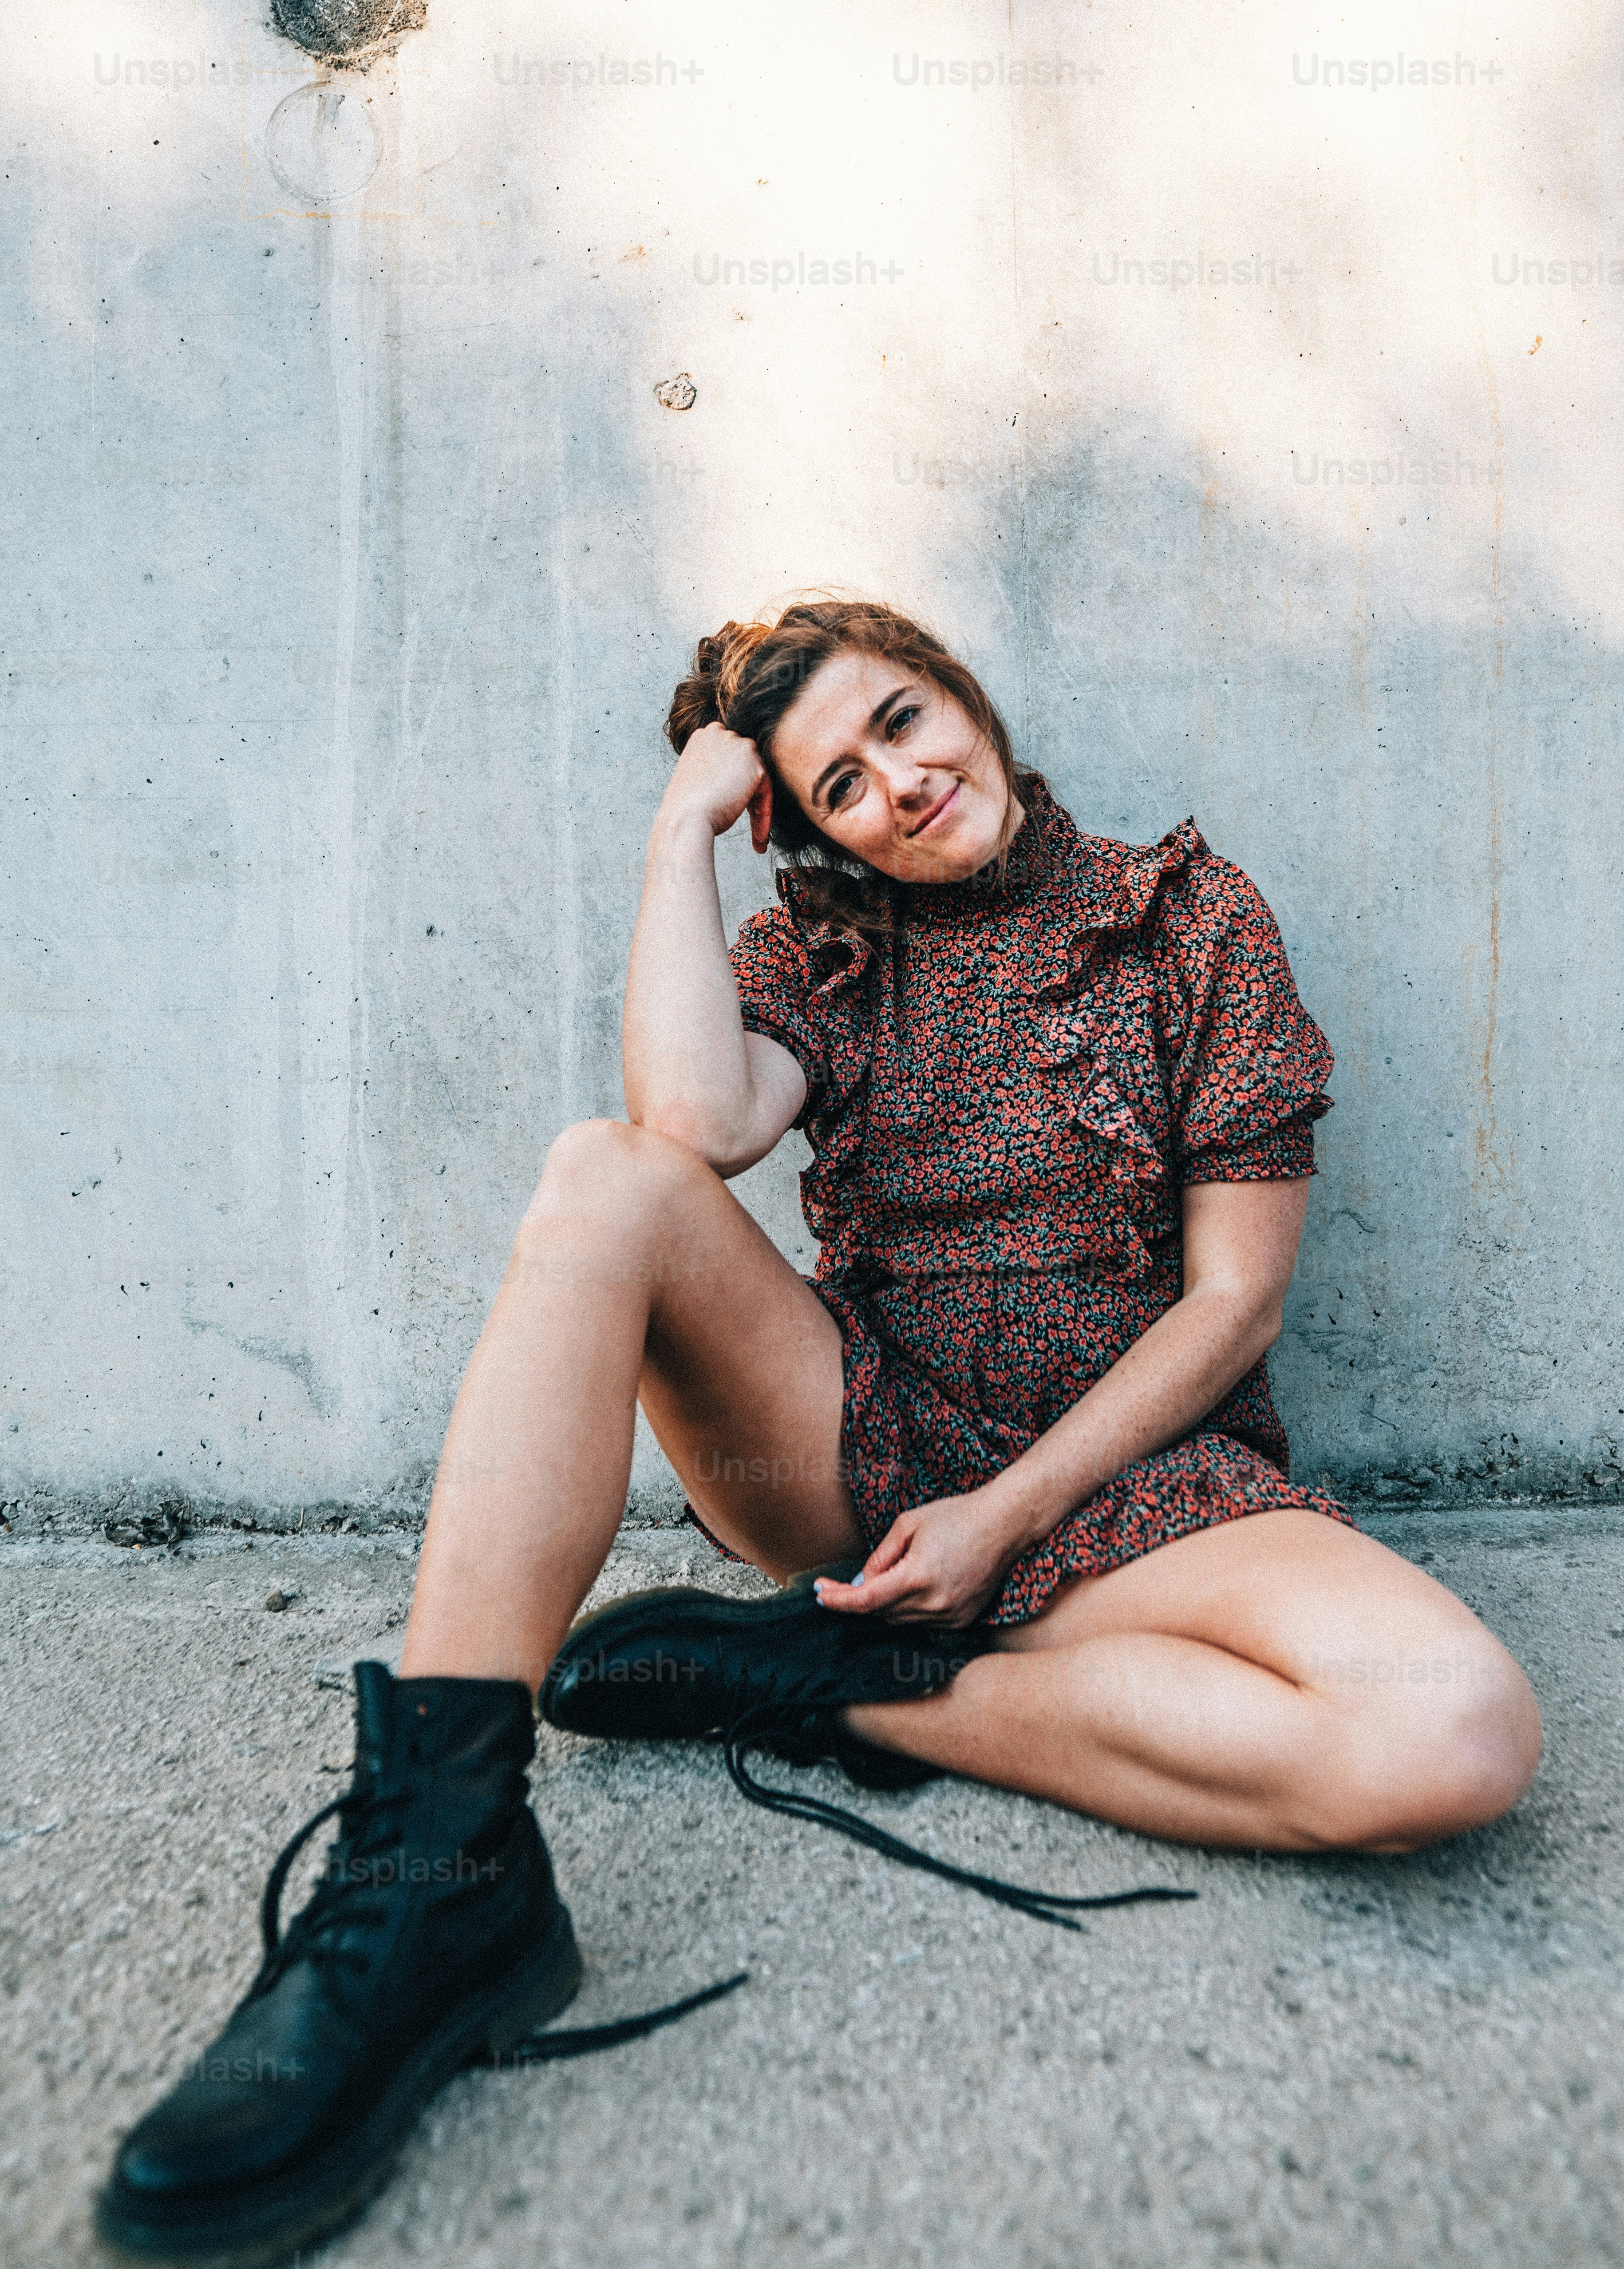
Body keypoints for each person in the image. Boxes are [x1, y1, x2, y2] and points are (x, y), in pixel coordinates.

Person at [97, 596, 1541, 2262]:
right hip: (852, 1451)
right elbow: (693, 1124)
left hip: (1140, 1481)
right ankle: (435, 1856)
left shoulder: (1188, 917)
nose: (900, 787)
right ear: (814, 832)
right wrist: (677, 837)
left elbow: (1233, 1309)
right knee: (606, 1176)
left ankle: (831, 1688)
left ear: (966, 699)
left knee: (1448, 1740)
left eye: (905, 724)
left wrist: (1006, 1515)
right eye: (840, 787)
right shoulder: (823, 958)